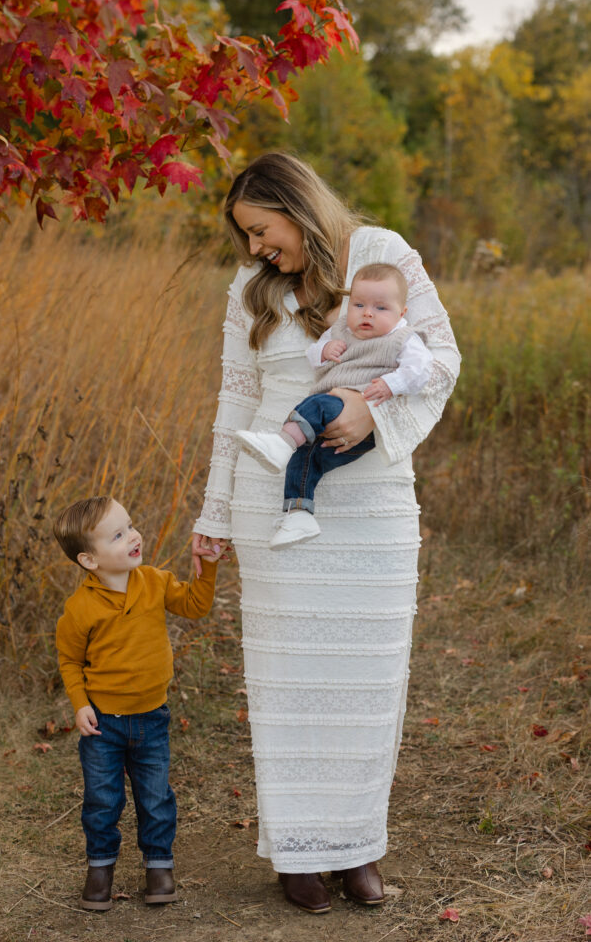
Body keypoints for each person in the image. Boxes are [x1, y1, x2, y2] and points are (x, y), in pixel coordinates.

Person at [192, 153, 460, 914]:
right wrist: (212, 513)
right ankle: (299, 851)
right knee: (292, 684)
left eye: (260, 230)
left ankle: (357, 846)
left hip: (372, 501)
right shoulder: (248, 290)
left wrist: (368, 411)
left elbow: (441, 358)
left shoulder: (382, 253)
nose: (254, 249)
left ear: (295, 206)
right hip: (272, 502)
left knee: (366, 682)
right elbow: (233, 402)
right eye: (244, 237)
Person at [53, 496, 219, 912]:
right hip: (103, 725)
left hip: (151, 718)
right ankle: (100, 868)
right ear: (90, 561)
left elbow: (196, 605)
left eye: (130, 525)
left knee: (156, 796)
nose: (133, 535)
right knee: (103, 800)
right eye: (118, 534)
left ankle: (159, 864)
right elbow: (70, 660)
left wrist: (208, 565)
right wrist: (79, 703)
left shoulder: (154, 581)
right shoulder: (80, 609)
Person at [235, 262, 433, 548]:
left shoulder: (403, 338)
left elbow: (421, 370)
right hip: (329, 420)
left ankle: (281, 442)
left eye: (381, 308)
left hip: (355, 413)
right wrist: (324, 350)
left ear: (401, 313)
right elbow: (313, 355)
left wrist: (392, 384)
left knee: (316, 404)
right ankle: (299, 514)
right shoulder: (342, 330)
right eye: (359, 304)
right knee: (306, 458)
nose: (367, 313)